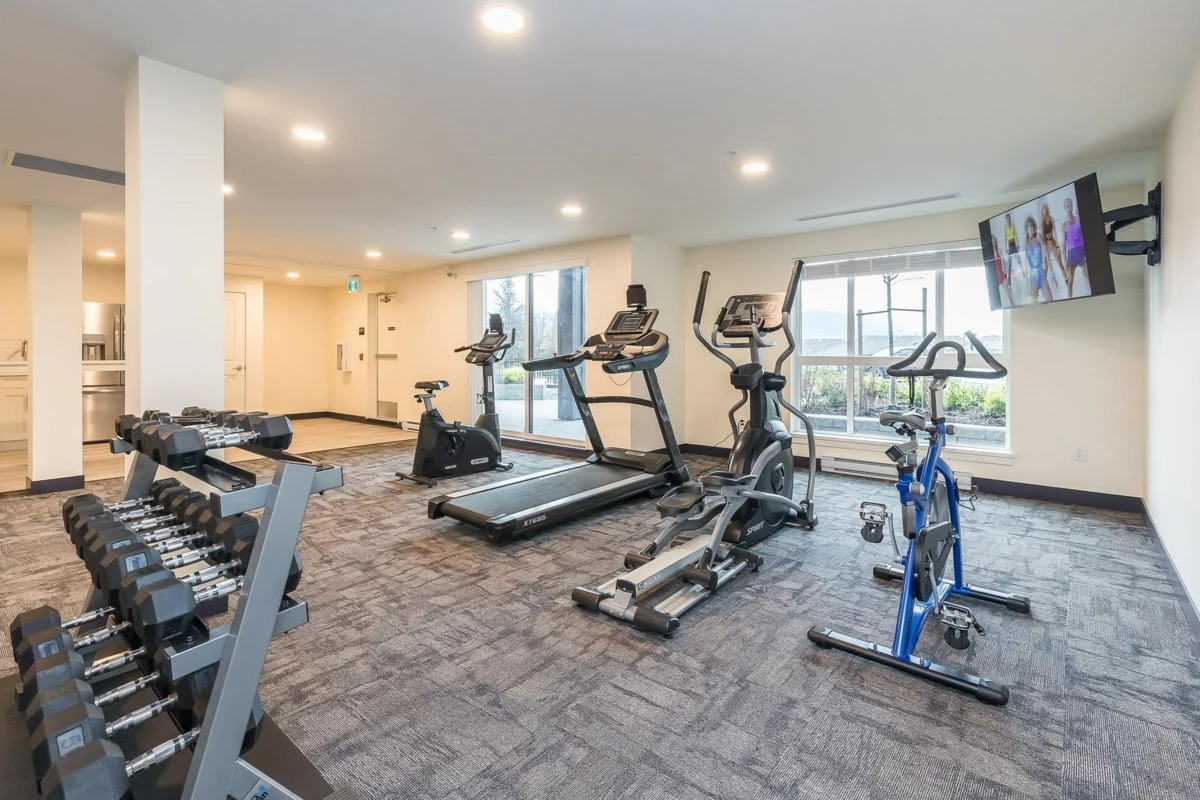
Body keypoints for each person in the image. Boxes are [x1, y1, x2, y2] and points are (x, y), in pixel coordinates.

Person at [1060, 196, 1089, 297]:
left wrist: (1086, 250)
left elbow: (1083, 234)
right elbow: (1063, 242)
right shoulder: (1064, 224)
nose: (1069, 208)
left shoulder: (1078, 219)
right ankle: (1069, 299)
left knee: (1090, 276)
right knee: (1070, 283)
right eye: (1067, 206)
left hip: (1081, 252)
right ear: (1065, 208)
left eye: (1070, 205)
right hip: (1071, 255)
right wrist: (1064, 258)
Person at [1040, 202, 1068, 297]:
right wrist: (1044, 249)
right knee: (1046, 265)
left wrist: (1057, 247)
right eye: (1043, 209)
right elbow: (1041, 235)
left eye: (1045, 209)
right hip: (1046, 244)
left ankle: (1066, 280)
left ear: (1047, 209)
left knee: (1059, 261)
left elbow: (1055, 232)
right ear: (1042, 211)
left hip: (1052, 242)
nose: (1045, 211)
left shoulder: (1051, 218)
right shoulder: (1041, 222)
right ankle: (1045, 283)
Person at [1024, 215, 1052, 303]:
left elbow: (1045, 251)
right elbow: (1024, 259)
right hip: (1032, 277)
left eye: (1032, 226)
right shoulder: (1025, 241)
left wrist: (1051, 268)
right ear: (1026, 229)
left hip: (1041, 273)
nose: (1031, 229)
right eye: (1028, 227)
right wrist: (1026, 280)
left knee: (1051, 302)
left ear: (1034, 227)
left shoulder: (1038, 236)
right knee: (1033, 306)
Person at [992, 235, 1015, 307]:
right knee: (996, 298)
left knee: (1009, 294)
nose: (993, 243)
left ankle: (1013, 307)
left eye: (994, 242)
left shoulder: (999, 250)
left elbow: (1003, 262)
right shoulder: (989, 254)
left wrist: (1006, 273)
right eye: (991, 242)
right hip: (994, 277)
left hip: (1001, 275)